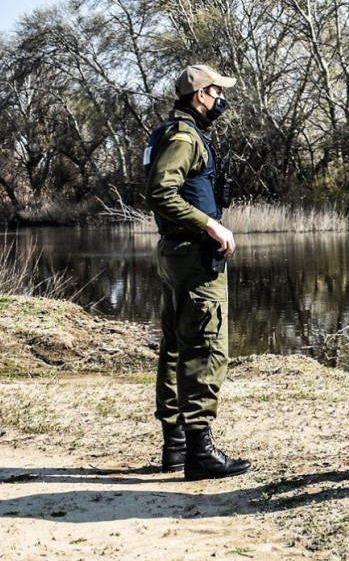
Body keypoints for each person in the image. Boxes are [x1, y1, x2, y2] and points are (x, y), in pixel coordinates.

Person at [144, 63, 251, 481]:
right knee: (206, 347)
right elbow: (160, 192)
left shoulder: (171, 132)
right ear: (199, 95)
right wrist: (211, 224)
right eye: (217, 92)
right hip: (194, 258)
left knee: (175, 347)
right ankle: (199, 453)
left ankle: (175, 446)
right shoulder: (185, 137)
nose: (222, 99)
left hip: (176, 254)